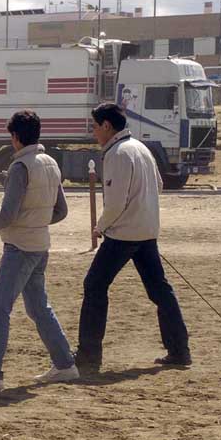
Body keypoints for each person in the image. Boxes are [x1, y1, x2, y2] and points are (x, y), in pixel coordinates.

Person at [0, 110, 78, 392]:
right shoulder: (50, 163)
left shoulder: (20, 167)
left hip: (20, 248)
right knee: (39, 307)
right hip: (39, 246)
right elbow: (61, 211)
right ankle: (65, 364)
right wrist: (35, 223)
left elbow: (6, 216)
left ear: (14, 137)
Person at [74, 103, 191, 374]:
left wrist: (99, 227)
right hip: (147, 231)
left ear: (106, 126)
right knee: (160, 290)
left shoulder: (117, 153)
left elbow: (115, 203)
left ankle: (89, 356)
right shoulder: (141, 148)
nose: (94, 132)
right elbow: (159, 186)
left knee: (94, 286)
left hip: (123, 234)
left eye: (95, 126)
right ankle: (179, 349)